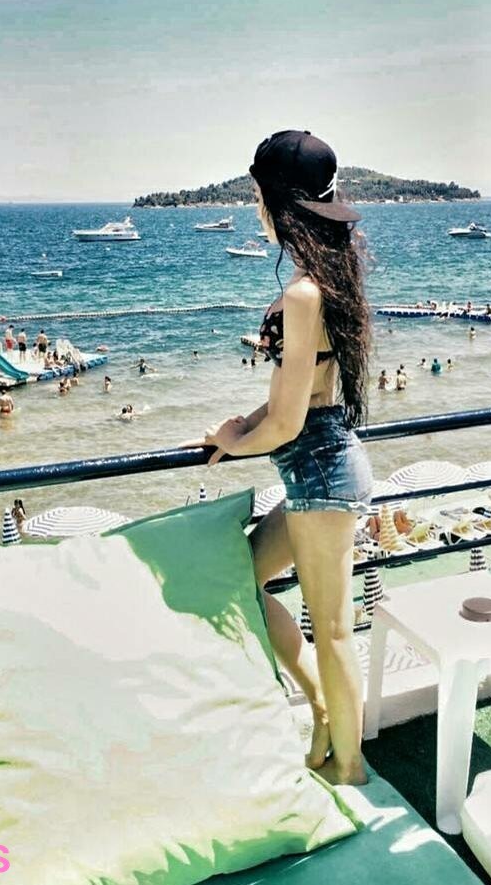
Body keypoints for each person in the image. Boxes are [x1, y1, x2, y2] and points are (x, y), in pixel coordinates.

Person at [191, 130, 373, 785]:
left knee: (334, 630)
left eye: (257, 197)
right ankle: (321, 709)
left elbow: (291, 419)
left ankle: (350, 769)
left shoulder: (303, 294)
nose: (255, 209)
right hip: (320, 469)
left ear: (277, 202)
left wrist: (236, 441)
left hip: (321, 474)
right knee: (241, 579)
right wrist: (240, 425)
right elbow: (301, 395)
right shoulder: (326, 277)